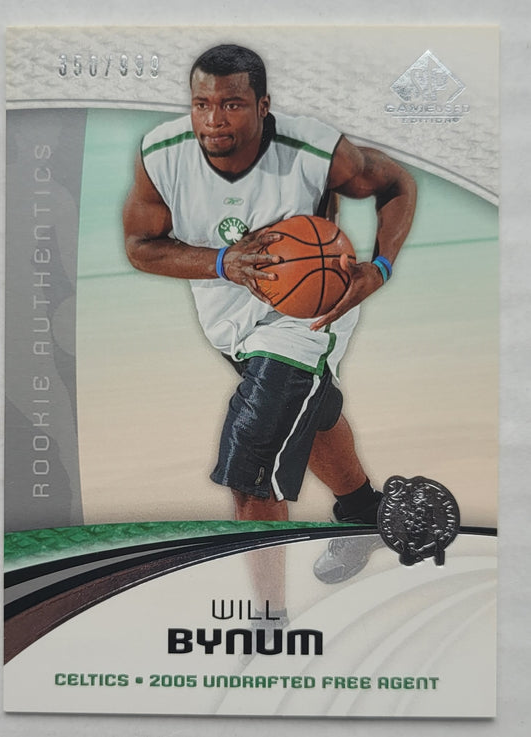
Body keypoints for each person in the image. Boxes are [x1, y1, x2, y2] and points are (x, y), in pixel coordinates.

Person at [123, 44, 417, 599]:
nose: (214, 120)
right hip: (230, 322)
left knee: (250, 465)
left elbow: (397, 183)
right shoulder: (161, 153)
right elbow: (141, 245)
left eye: (232, 105)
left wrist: (380, 267)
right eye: (202, 104)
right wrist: (221, 263)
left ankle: (268, 623)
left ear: (263, 105)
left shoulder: (315, 150)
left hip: (309, 318)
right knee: (312, 412)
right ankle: (363, 514)